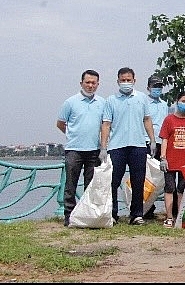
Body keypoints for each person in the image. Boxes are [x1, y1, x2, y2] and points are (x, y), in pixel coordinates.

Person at [100, 67, 155, 225]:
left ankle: (137, 214)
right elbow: (106, 124)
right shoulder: (111, 100)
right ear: (118, 81)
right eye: (123, 80)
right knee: (113, 181)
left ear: (134, 81)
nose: (126, 83)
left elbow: (147, 120)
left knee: (138, 181)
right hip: (117, 146)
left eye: (128, 80)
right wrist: (103, 147)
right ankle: (112, 213)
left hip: (138, 145)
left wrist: (151, 140)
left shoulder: (142, 98)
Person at [56, 69, 105, 226]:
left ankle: (88, 215)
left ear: (98, 84)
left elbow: (106, 125)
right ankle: (69, 215)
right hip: (74, 149)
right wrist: (73, 135)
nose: (90, 85)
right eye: (87, 82)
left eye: (93, 83)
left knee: (91, 185)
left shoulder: (102, 103)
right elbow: (60, 123)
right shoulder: (70, 102)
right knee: (70, 184)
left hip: (94, 150)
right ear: (81, 83)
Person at [158, 90, 185, 228]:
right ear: (177, 101)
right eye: (183, 101)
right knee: (169, 188)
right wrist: (163, 158)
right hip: (170, 160)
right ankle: (169, 217)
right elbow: (165, 139)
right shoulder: (169, 119)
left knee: (181, 189)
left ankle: (180, 216)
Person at [144, 74, 170, 219]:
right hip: (146, 142)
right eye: (155, 86)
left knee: (162, 176)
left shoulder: (164, 104)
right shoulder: (144, 102)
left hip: (162, 143)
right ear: (148, 87)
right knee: (146, 177)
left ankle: (167, 208)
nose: (157, 89)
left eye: (160, 86)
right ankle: (146, 208)